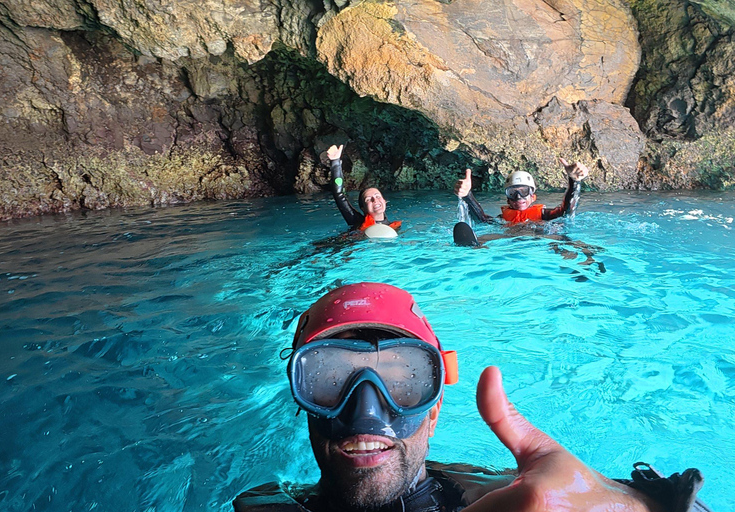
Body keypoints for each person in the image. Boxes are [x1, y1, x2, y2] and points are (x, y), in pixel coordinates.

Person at [234, 283, 708, 512]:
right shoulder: (263, 506)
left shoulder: (511, 498)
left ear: (436, 407)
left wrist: (635, 506)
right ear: (303, 403)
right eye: (329, 378)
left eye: (403, 380)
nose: (367, 412)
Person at [454, 158, 589, 225]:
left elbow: (567, 212)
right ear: (507, 199)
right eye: (512, 193)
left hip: (543, 244)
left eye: (524, 191)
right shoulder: (503, 220)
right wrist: (467, 195)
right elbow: (481, 219)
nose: (518, 197)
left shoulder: (544, 215)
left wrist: (574, 182)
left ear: (533, 197)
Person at [326, 144, 401, 232]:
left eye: (378, 196)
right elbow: (339, 194)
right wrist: (335, 162)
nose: (375, 200)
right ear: (363, 208)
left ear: (384, 201)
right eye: (368, 199)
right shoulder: (356, 220)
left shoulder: (395, 228)